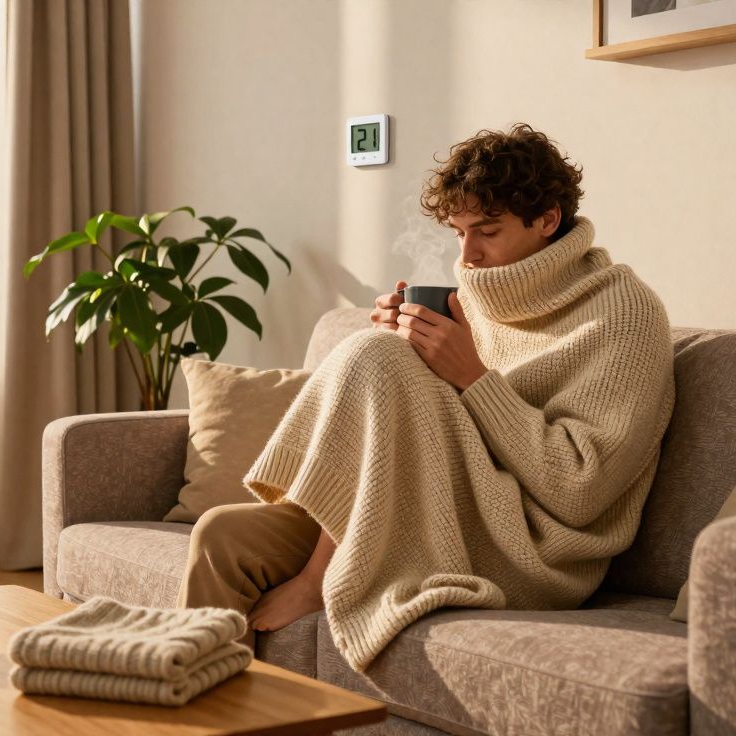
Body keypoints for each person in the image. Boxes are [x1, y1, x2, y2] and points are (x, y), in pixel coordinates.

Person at [177, 123, 676, 671]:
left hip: (525, 548)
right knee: (223, 534)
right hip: (428, 498)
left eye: (487, 230)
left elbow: (580, 489)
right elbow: (433, 421)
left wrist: (473, 379)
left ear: (548, 221)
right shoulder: (475, 300)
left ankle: (320, 578)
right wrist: (410, 352)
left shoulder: (624, 314)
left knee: (376, 356)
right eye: (459, 233)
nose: (470, 253)